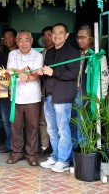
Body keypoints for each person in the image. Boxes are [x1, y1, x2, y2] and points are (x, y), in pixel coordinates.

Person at [37, 23, 80, 173]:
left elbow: (73, 74)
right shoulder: (49, 53)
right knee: (51, 129)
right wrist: (43, 72)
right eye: (54, 33)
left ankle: (64, 160)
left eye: (60, 33)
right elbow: (49, 72)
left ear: (67, 35)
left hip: (62, 96)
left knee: (63, 129)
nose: (56, 35)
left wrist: (52, 72)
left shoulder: (73, 52)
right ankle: (55, 156)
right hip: (49, 95)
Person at [6, 30, 43, 166]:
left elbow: (37, 73)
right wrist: (25, 71)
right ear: (17, 42)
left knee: (32, 127)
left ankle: (32, 154)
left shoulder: (38, 55)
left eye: (26, 40)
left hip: (32, 97)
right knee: (15, 127)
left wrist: (28, 75)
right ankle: (16, 153)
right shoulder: (12, 54)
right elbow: (9, 71)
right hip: (16, 97)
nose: (24, 43)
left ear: (31, 41)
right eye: (20, 40)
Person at [72, 24, 109, 152]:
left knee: (83, 126)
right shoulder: (75, 54)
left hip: (85, 95)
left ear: (91, 39)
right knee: (71, 124)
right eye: (78, 37)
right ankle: (73, 156)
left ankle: (83, 153)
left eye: (83, 37)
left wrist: (100, 98)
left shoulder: (97, 56)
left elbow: (103, 78)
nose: (79, 40)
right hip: (71, 94)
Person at [0, 28, 18, 154]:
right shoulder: (2, 53)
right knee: (6, 119)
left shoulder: (20, 52)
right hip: (4, 90)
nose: (7, 40)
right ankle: (10, 144)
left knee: (16, 120)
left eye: (10, 37)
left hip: (17, 91)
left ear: (15, 38)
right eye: (5, 38)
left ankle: (18, 146)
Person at [38, 26, 54, 156]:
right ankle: (45, 146)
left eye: (49, 34)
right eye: (45, 35)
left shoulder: (60, 53)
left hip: (56, 92)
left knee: (57, 121)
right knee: (42, 120)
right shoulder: (40, 55)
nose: (46, 37)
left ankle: (56, 147)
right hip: (42, 91)